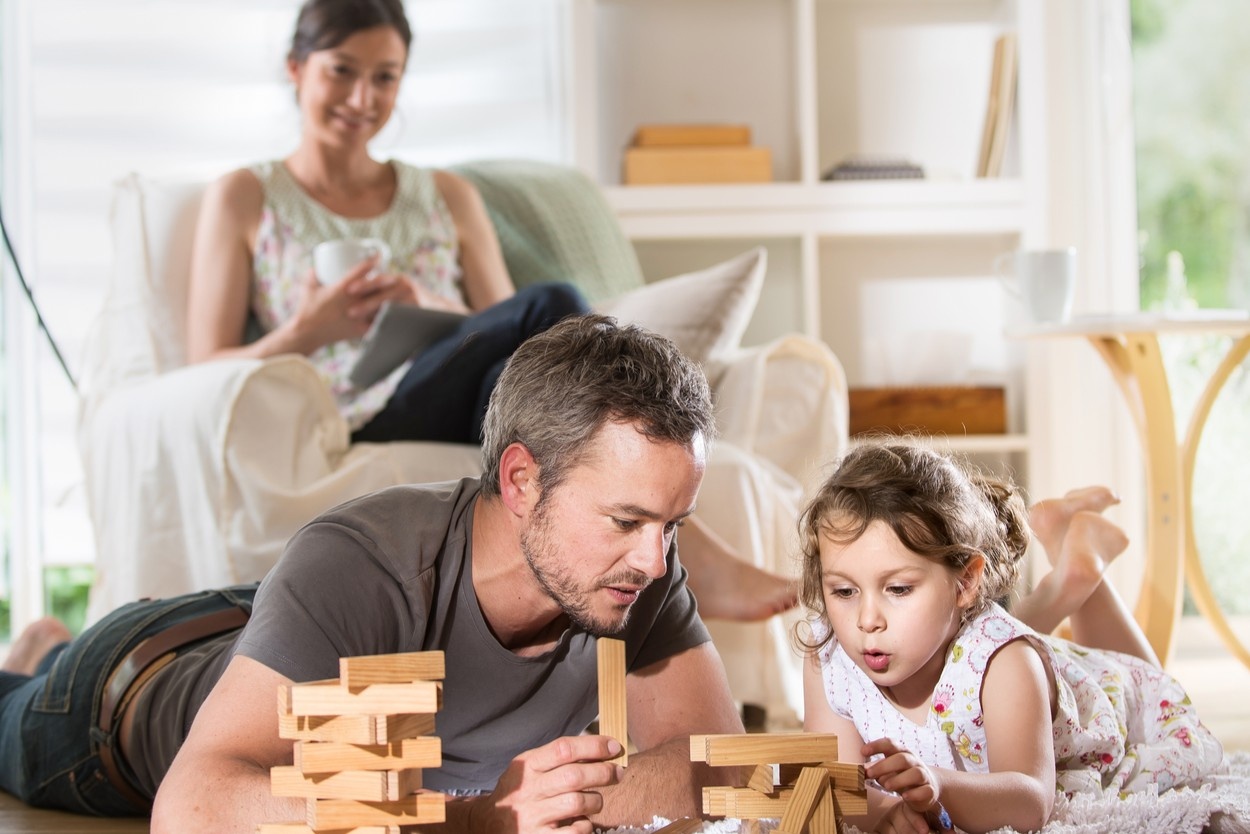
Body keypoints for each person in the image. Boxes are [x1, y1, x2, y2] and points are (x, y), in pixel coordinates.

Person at [0, 315, 747, 832]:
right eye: (625, 521)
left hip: (262, 625)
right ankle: (42, 661)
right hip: (118, 701)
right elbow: (191, 809)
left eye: (671, 525)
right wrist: (479, 819)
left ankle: (43, 648)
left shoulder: (630, 570)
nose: (655, 559)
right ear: (521, 481)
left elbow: (714, 764)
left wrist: (556, 804)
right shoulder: (366, 560)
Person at [185, 0, 797, 623]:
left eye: (385, 77)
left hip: (466, 387)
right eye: (342, 71)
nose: (362, 97)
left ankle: (653, 532)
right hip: (360, 411)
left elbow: (514, 331)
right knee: (554, 300)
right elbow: (202, 365)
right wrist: (308, 330)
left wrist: (429, 306)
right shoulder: (244, 196)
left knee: (537, 336)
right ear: (296, 67)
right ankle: (687, 551)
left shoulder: (446, 196)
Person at [799, 444, 1224, 834]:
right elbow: (839, 784)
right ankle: (1073, 562)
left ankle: (1083, 571)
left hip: (1102, 701)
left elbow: (1030, 802)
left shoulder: (1005, 663)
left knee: (1141, 687)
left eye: (898, 589)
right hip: (1012, 656)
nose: (867, 620)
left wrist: (939, 784)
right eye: (843, 591)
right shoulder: (830, 654)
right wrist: (889, 812)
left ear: (965, 582)